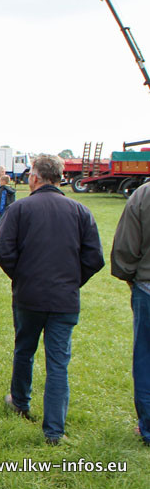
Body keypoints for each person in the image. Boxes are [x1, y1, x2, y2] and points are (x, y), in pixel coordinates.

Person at [0, 154, 104, 445]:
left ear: (34, 177)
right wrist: (71, 281)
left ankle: (20, 401)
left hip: (30, 296)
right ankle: (54, 430)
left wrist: (22, 276)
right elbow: (94, 258)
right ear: (60, 178)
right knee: (58, 363)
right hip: (63, 298)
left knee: (24, 350)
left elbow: (2, 249)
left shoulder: (20, 209)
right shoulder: (80, 211)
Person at [110, 180, 150, 446]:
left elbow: (126, 245)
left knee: (146, 358)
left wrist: (128, 275)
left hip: (147, 287)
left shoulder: (144, 194)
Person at [0, 174, 16, 241]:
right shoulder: (12, 190)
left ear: (3, 181)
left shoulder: (2, 190)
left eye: (0, 181)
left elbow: (1, 201)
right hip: (10, 209)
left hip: (3, 210)